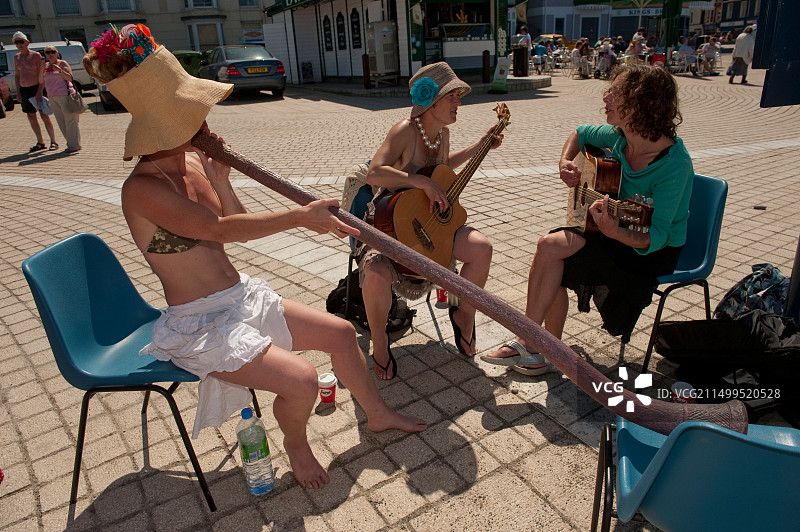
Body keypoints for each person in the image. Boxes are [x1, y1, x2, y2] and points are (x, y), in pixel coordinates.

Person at [83, 24, 426, 489]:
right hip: (200, 322)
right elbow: (217, 230)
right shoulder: (141, 190)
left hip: (238, 297)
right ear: (166, 123)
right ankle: (297, 446)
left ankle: (378, 413)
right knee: (303, 381)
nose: (205, 121)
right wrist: (300, 217)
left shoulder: (190, 161)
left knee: (344, 334)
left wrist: (222, 180)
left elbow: (232, 221)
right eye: (194, 113)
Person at [482, 63, 693, 376]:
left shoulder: (674, 165)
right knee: (548, 247)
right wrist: (565, 161)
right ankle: (539, 345)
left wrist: (614, 231)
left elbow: (657, 235)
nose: (606, 98)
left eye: (617, 93)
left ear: (643, 103)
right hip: (612, 230)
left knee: (551, 257)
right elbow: (579, 134)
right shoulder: (618, 137)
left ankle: (535, 345)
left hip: (650, 252)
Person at [356, 62, 502, 379]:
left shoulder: (442, 134)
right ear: (432, 101)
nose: (458, 104)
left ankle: (464, 315)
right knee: (378, 273)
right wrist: (421, 183)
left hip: (428, 222)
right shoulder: (404, 131)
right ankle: (379, 343)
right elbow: (375, 173)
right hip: (389, 222)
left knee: (482, 249)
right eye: (453, 97)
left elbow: (441, 167)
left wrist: (480, 146)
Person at [13, 31, 58, 153]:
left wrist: (39, 91)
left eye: (21, 41)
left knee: (44, 115)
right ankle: (40, 142)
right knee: (31, 116)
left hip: (36, 88)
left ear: (27, 42)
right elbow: (17, 75)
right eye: (17, 42)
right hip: (24, 90)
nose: (19, 44)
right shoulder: (16, 57)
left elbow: (41, 75)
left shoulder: (36, 56)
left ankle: (53, 141)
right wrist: (18, 92)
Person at [42, 46, 82, 153]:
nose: (50, 54)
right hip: (52, 96)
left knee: (70, 120)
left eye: (53, 52)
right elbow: (41, 81)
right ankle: (70, 143)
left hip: (65, 95)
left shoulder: (62, 63)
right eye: (47, 52)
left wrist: (59, 70)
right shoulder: (45, 66)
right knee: (61, 121)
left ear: (57, 53)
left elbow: (70, 78)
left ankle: (75, 144)